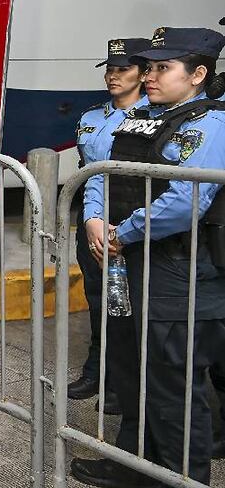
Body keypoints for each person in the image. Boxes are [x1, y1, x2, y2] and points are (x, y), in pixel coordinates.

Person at [72, 27, 225, 488]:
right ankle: (136, 462)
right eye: (150, 67)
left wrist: (125, 232)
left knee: (175, 385)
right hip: (127, 264)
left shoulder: (211, 125)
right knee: (130, 366)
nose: (151, 76)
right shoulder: (140, 118)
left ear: (198, 74)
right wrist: (95, 217)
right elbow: (102, 170)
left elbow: (186, 200)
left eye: (163, 68)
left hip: (177, 270)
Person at [67, 38, 150, 413]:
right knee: (98, 299)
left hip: (131, 225)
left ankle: (122, 384)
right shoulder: (91, 117)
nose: (114, 76)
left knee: (126, 305)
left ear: (143, 73)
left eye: (124, 69)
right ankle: (96, 371)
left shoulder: (154, 119)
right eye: (110, 69)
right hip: (93, 221)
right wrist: (91, 221)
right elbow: (90, 174)